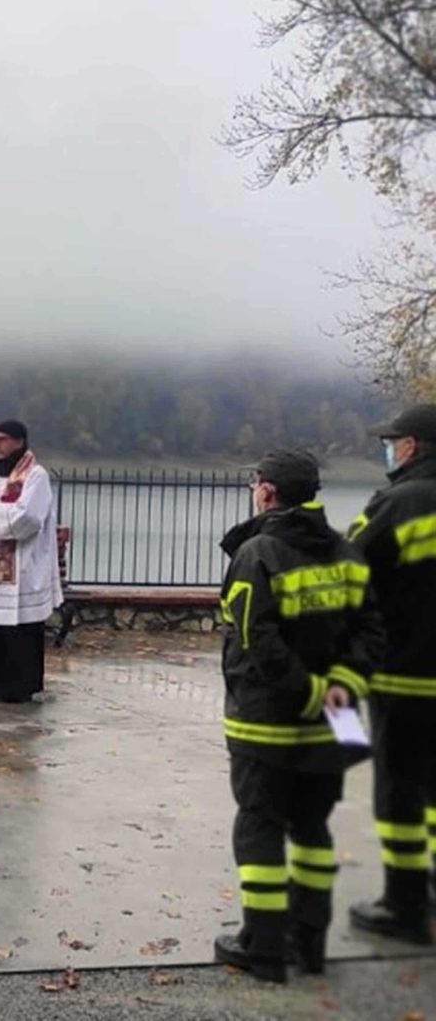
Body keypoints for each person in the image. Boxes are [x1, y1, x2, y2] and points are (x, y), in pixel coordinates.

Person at [212, 450, 382, 982]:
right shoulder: (346, 552)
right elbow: (371, 631)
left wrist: (307, 690)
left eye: (255, 484)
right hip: (334, 719)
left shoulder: (257, 553)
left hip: (265, 719)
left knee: (260, 824)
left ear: (267, 492)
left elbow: (255, 639)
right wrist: (340, 687)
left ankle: (262, 947)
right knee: (312, 826)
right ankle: (308, 943)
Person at [346, 404, 436, 946]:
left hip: (404, 679)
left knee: (400, 794)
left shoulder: (398, 504)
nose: (389, 449)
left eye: (393, 441)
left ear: (411, 447)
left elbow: (349, 571)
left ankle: (404, 906)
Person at [0, 420, 62, 703]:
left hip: (23, 566)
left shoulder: (36, 476)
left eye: (3, 439)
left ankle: (17, 687)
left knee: (19, 630)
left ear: (19, 442)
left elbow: (29, 519)